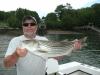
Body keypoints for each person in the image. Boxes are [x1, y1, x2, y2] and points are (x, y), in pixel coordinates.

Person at [3, 15, 81, 75]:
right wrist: (16, 54)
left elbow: (57, 56)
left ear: (36, 27)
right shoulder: (15, 41)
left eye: (32, 24)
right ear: (22, 27)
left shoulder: (43, 40)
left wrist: (72, 48)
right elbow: (6, 65)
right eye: (26, 24)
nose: (29, 26)